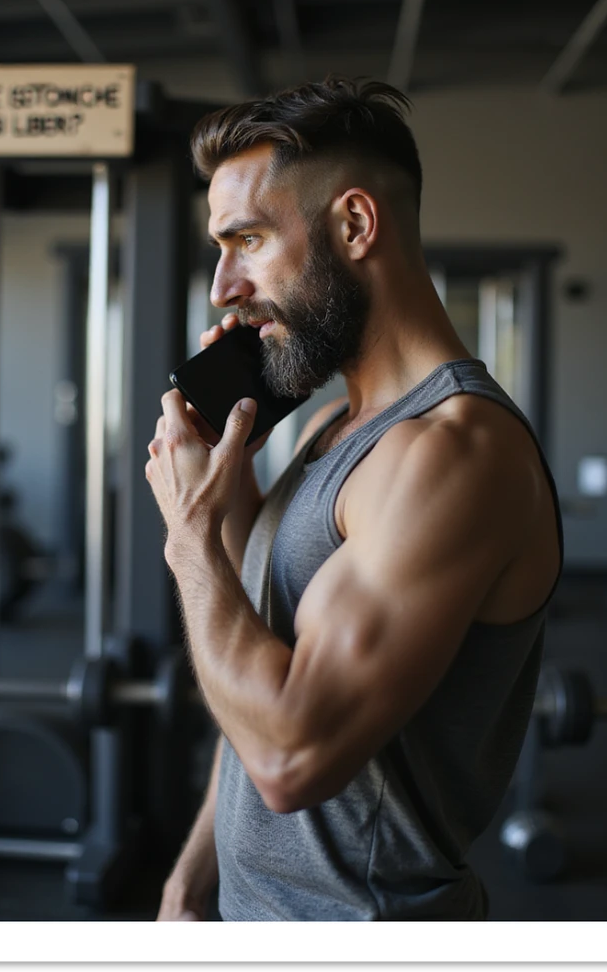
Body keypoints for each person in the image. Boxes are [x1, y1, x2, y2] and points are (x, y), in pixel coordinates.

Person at [144, 77, 563, 921]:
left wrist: (188, 534)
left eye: (248, 240)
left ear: (356, 225)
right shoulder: (331, 426)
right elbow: (256, 661)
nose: (224, 284)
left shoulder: (451, 455)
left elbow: (292, 755)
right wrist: (197, 872)